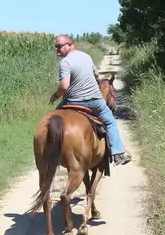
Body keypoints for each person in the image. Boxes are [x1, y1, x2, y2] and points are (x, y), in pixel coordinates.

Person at [49, 35, 132, 165]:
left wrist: (55, 96)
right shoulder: (86, 57)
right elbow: (96, 76)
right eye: (56, 46)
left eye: (59, 46)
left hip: (71, 102)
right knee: (110, 121)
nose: (57, 49)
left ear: (70, 45)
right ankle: (118, 153)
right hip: (95, 102)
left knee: (53, 119)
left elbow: (64, 86)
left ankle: (50, 152)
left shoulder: (65, 62)